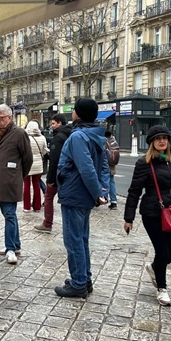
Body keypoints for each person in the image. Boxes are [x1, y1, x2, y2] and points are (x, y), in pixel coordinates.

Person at [123, 126, 171, 306]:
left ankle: (154, 268)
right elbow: (134, 191)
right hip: (152, 211)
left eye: (165, 138)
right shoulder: (144, 163)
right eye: (158, 138)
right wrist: (128, 218)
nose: (162, 141)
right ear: (152, 142)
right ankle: (162, 289)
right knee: (162, 251)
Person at [54, 98, 110, 298]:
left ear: (77, 113)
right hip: (84, 194)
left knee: (74, 240)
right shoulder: (97, 136)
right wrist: (101, 192)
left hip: (75, 193)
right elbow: (103, 167)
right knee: (82, 238)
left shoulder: (78, 137)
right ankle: (84, 279)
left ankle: (78, 283)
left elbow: (86, 169)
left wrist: (97, 193)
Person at [0, 104, 33, 265]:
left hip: (10, 181)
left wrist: (18, 176)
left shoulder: (19, 133)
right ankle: (16, 244)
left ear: (9, 118)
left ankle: (10, 249)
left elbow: (28, 159)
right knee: (8, 214)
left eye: (1, 118)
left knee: (9, 214)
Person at [34, 114, 71, 233]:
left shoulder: (58, 137)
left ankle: (47, 223)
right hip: (69, 173)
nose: (51, 126)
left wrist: (50, 179)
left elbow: (54, 160)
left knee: (49, 197)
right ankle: (69, 226)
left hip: (57, 174)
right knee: (67, 200)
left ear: (60, 123)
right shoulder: (71, 134)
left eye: (53, 123)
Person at [23, 120, 47, 213]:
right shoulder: (42, 137)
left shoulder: (25, 138)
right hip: (38, 164)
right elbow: (44, 151)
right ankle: (37, 206)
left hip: (27, 164)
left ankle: (27, 206)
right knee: (36, 185)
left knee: (27, 185)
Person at [105, 129, 119, 210]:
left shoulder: (104, 141)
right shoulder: (113, 140)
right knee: (111, 182)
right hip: (112, 164)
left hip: (105, 164)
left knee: (103, 181)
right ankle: (114, 202)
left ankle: (102, 199)